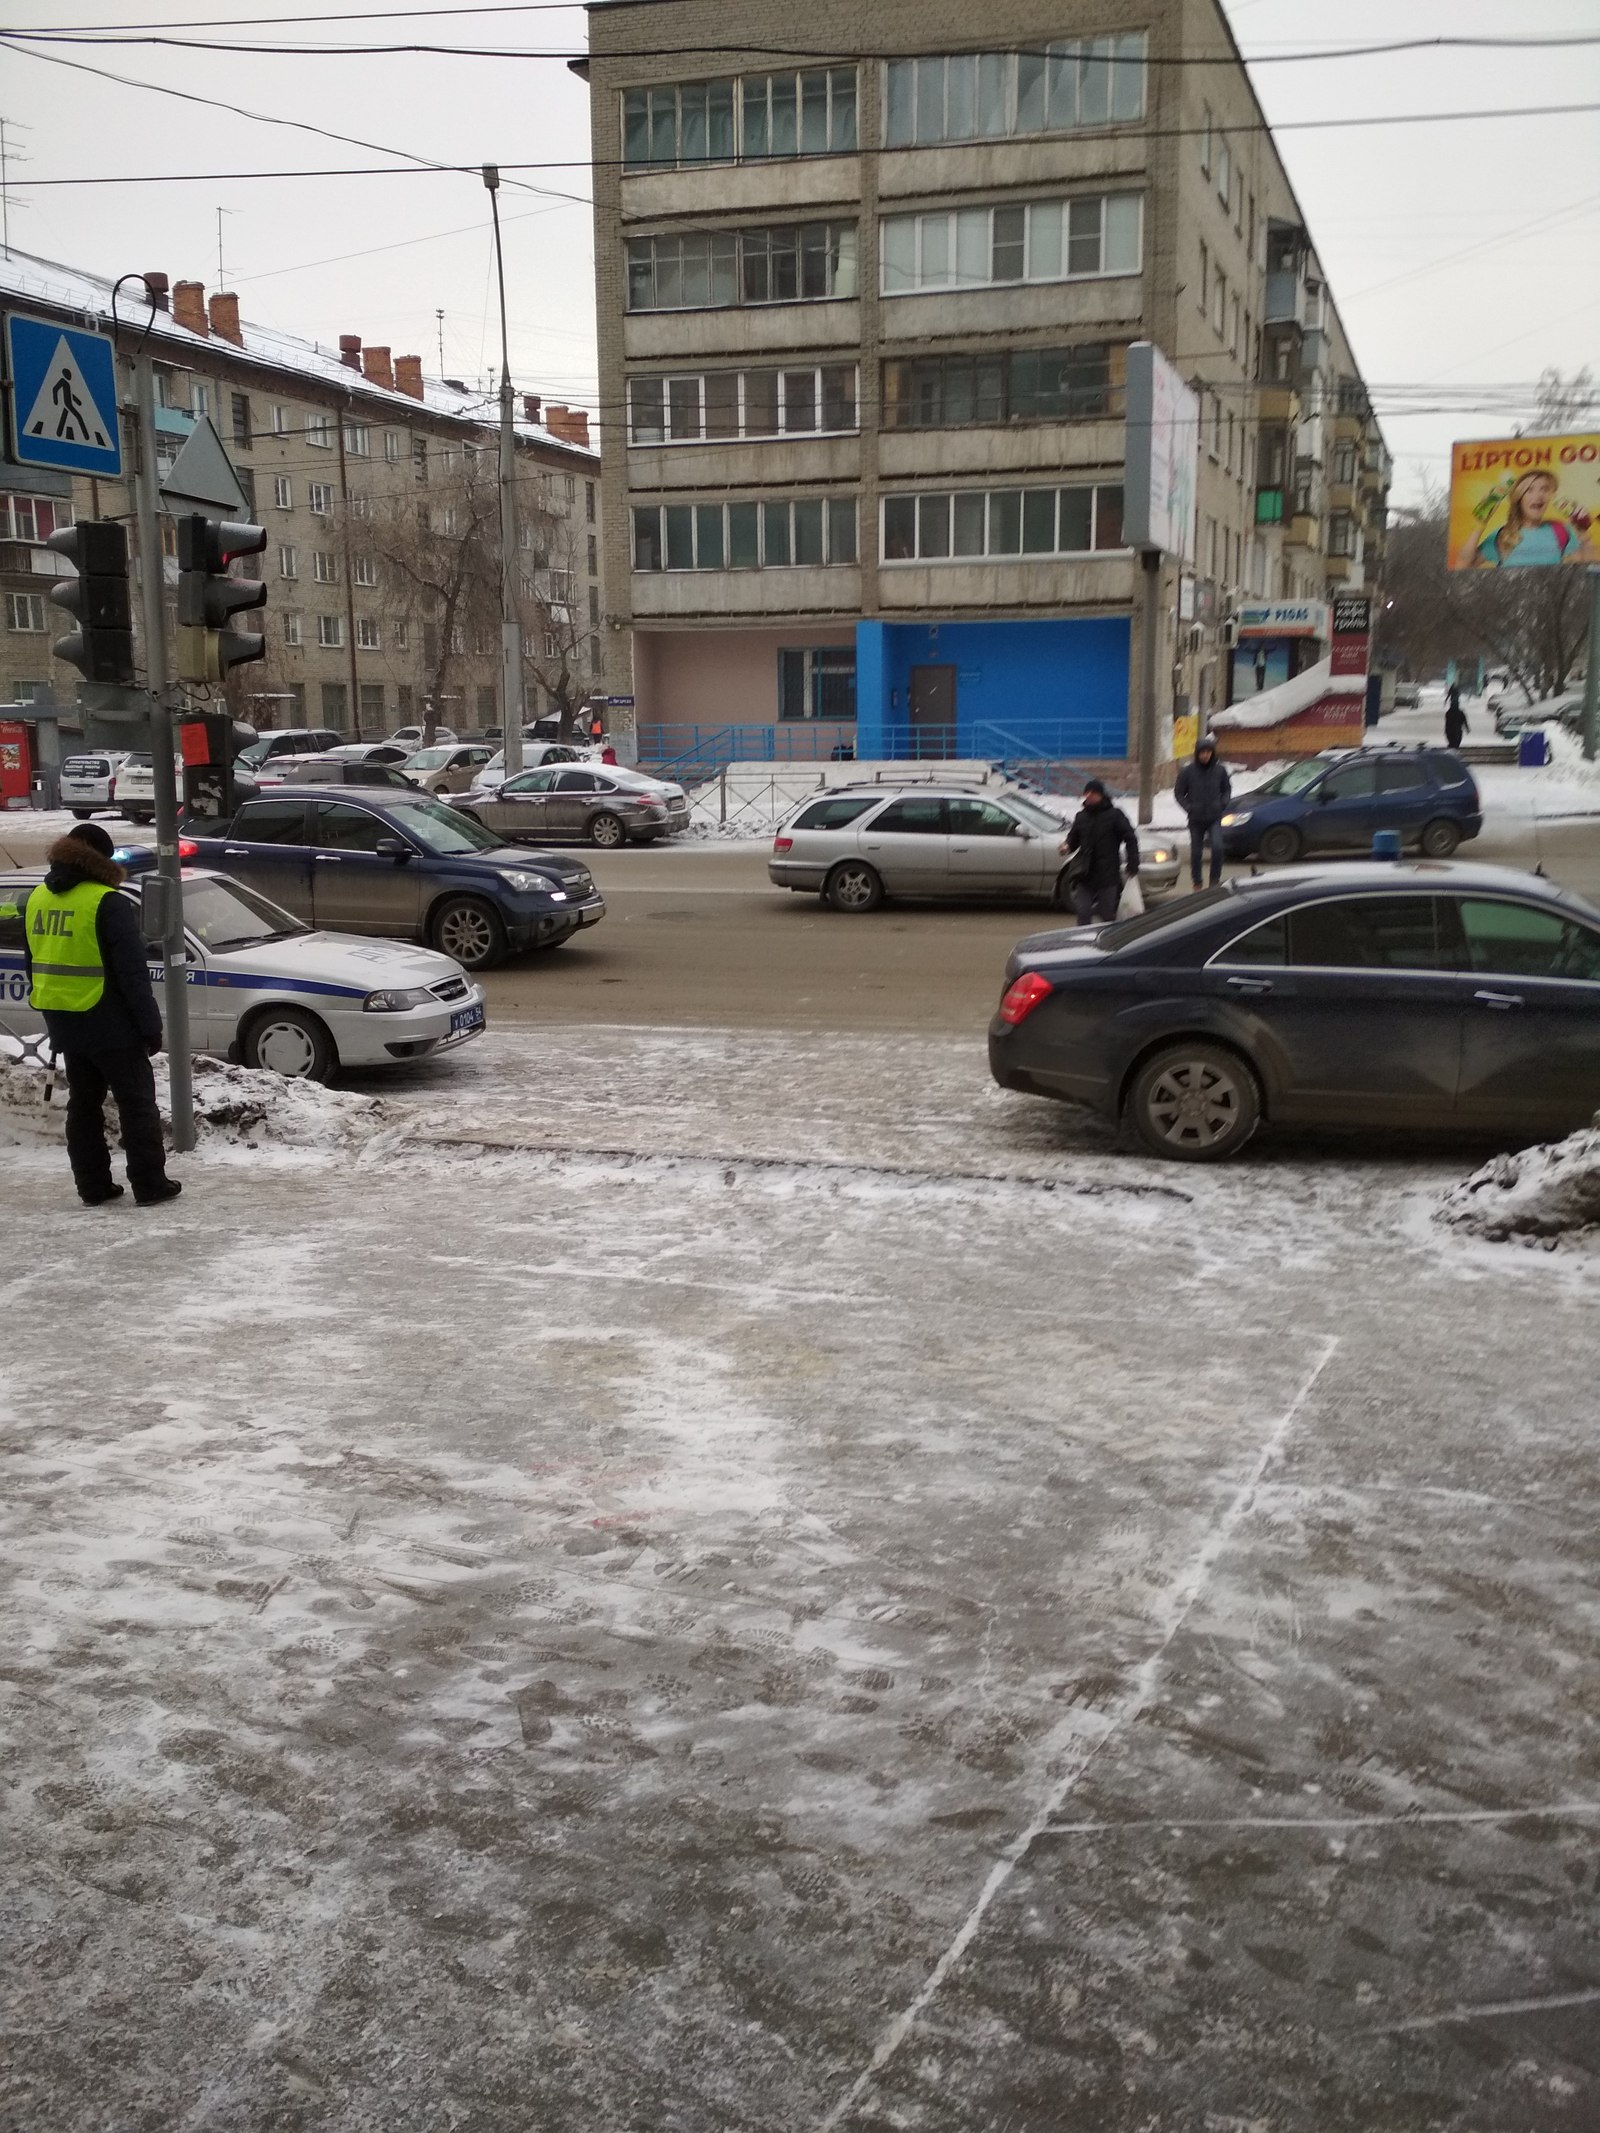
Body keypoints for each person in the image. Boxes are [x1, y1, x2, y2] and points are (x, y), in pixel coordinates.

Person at [16, 823, 180, 1207]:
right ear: (100, 859)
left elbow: (32, 962)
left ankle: (92, 1186)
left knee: (83, 1103)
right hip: (110, 1021)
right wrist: (150, 1026)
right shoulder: (107, 901)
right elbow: (132, 973)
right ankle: (150, 1183)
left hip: (64, 1018)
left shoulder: (37, 898)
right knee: (136, 1102)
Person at [1062, 779, 1140, 925]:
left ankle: (1108, 943)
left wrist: (1133, 863)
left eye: (1094, 793)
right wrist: (1067, 846)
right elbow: (1073, 839)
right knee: (1083, 913)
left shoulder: (1115, 815)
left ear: (1102, 795)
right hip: (1084, 874)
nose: (1089, 796)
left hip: (1107, 875)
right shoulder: (1081, 817)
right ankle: (1084, 942)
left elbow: (1130, 838)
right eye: (1087, 793)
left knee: (1106, 915)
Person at [1173, 732, 1232, 889]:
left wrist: (1222, 803)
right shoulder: (1188, 772)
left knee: (1218, 848)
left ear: (1212, 753)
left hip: (1214, 816)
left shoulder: (1220, 771)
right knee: (1197, 852)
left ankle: (1214, 880)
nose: (1205, 755)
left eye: (1208, 752)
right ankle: (1197, 881)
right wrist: (1188, 807)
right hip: (1196, 819)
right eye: (1202, 752)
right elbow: (1178, 793)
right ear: (1197, 753)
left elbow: (1226, 789)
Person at [1444, 681, 1468, 751]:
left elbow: (1447, 723)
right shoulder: (1459, 712)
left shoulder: (1449, 713)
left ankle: (1452, 750)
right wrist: (1467, 728)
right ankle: (1454, 750)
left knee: (1452, 743)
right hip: (1456, 730)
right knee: (1455, 743)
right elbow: (1464, 720)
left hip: (1451, 730)